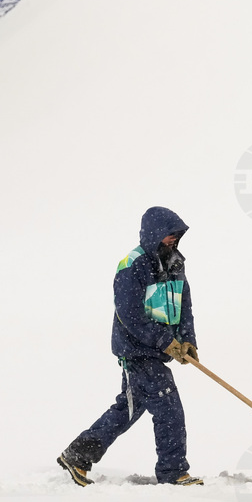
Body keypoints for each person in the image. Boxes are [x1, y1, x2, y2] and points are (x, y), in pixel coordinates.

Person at [58, 206, 202, 486]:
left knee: (129, 408)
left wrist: (187, 340)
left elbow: (184, 305)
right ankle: (173, 472)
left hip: (158, 351)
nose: (174, 239)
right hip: (137, 352)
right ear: (153, 234)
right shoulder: (132, 266)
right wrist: (166, 342)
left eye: (177, 234)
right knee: (169, 408)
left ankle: (77, 455)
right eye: (169, 234)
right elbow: (130, 315)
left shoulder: (175, 263)